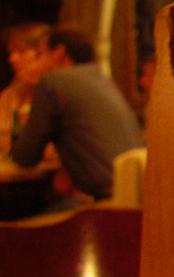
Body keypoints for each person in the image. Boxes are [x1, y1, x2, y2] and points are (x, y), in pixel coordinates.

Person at [10, 26, 144, 203]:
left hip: (110, 203)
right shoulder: (101, 79)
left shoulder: (53, 83)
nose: (38, 63)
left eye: (41, 55)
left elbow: (25, 157)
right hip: (138, 195)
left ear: (58, 53)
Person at [0, 21, 49, 156]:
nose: (12, 58)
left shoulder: (60, 94)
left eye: (21, 51)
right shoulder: (11, 93)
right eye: (11, 52)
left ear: (45, 55)